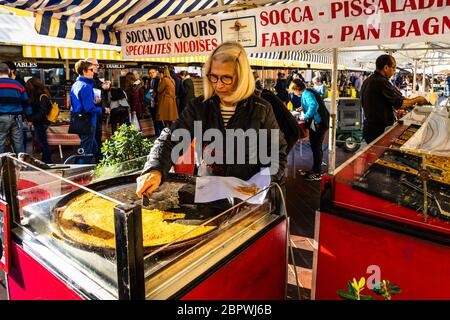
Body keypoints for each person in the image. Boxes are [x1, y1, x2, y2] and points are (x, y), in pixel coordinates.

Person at [136, 41, 287, 199]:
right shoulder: (199, 106)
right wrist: (155, 168)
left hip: (247, 196)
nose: (219, 85)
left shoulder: (261, 108)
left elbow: (276, 152)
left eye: (226, 78)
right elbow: (171, 139)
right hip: (209, 192)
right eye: (213, 77)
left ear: (242, 78)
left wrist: (262, 184)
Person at [360, 55, 428, 144]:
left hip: (370, 127)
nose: (394, 71)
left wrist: (413, 100)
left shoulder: (369, 80)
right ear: (386, 68)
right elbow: (400, 103)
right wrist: (417, 99)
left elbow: (399, 98)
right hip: (378, 130)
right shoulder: (380, 82)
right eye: (394, 67)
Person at [289, 79, 327, 181]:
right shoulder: (308, 91)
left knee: (316, 147)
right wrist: (301, 108)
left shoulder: (306, 94)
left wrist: (305, 116)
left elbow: (314, 105)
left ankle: (317, 173)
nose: (294, 94)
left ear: (297, 89)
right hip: (319, 123)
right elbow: (311, 104)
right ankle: (315, 169)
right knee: (316, 147)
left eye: (294, 91)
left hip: (318, 123)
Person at [70, 60, 102, 163]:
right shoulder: (86, 86)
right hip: (87, 121)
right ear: (84, 71)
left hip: (78, 119)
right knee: (87, 152)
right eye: (91, 70)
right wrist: (103, 110)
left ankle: (98, 164)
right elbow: (89, 109)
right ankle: (81, 172)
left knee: (94, 148)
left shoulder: (76, 84)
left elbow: (76, 103)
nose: (94, 72)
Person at [0, 62, 32, 154]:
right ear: (9, 71)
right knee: (18, 144)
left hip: (1, 117)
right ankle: (21, 165)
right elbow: (26, 102)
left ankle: (1, 166)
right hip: (17, 118)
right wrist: (29, 117)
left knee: (0, 142)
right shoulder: (18, 84)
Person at [84, 58, 111, 163]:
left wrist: (105, 87)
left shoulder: (93, 79)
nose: (97, 68)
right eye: (96, 65)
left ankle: (98, 159)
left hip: (96, 113)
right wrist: (103, 109)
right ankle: (92, 161)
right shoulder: (85, 82)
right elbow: (90, 105)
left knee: (95, 139)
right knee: (91, 141)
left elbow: (99, 89)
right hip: (91, 115)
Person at [25, 77, 53, 163]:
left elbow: (42, 112)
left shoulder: (42, 96)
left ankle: (48, 162)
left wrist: (30, 119)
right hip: (41, 122)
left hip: (41, 123)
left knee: (43, 143)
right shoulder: (42, 95)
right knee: (43, 143)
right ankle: (46, 161)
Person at [147, 67, 162, 135]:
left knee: (158, 119)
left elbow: (159, 91)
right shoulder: (149, 80)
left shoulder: (158, 80)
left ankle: (162, 133)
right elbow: (148, 90)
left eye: (153, 72)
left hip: (157, 101)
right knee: (153, 118)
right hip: (151, 101)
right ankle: (157, 133)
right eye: (150, 73)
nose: (151, 74)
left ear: (156, 72)